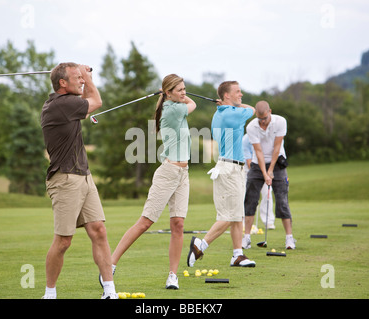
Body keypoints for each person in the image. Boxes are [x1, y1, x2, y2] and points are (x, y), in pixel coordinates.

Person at [111, 74, 196, 290]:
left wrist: (177, 95)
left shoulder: (173, 106)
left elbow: (187, 102)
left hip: (182, 175)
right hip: (168, 173)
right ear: (167, 93)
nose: (184, 93)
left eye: (185, 88)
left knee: (178, 225)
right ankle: (109, 263)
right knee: (145, 222)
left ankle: (172, 276)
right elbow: (193, 104)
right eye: (180, 90)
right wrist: (183, 98)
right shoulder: (173, 109)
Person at [40, 62, 117, 299]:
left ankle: (109, 292)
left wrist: (81, 75)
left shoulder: (66, 103)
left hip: (83, 176)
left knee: (99, 230)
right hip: (65, 179)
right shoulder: (61, 105)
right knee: (63, 241)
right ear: (62, 83)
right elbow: (96, 101)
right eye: (77, 77)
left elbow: (84, 99)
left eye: (82, 77)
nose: (82, 80)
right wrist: (89, 77)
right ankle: (50, 294)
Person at [187, 81, 256, 268]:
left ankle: (237, 255)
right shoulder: (231, 115)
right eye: (238, 92)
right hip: (230, 169)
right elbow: (254, 109)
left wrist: (229, 105)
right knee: (228, 215)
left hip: (233, 168)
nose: (241, 95)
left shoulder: (220, 113)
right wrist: (235, 105)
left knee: (236, 215)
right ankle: (200, 245)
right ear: (226, 95)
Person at [244, 100, 296, 250]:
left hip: (277, 163)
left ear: (270, 112)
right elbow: (258, 152)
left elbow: (277, 147)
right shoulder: (251, 126)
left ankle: (289, 238)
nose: (262, 122)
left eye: (265, 119)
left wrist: (271, 170)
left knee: (282, 200)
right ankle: (246, 238)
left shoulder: (280, 122)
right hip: (256, 164)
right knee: (250, 200)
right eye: (260, 119)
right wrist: (264, 173)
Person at [242, 133, 275, 249]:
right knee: (249, 198)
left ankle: (268, 221)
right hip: (250, 170)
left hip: (265, 169)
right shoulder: (246, 139)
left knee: (267, 194)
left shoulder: (267, 138)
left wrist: (266, 174)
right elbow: (249, 161)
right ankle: (243, 223)